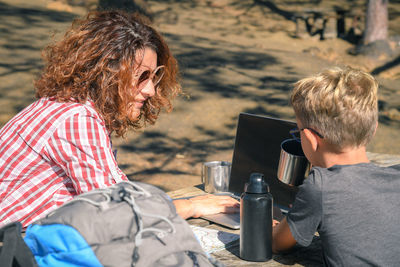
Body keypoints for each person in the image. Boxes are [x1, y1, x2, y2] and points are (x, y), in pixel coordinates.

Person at [0, 10, 238, 228]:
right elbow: (119, 214)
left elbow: (114, 195)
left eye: (154, 77)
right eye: (141, 76)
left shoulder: (63, 105)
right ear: (107, 74)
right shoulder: (78, 118)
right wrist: (191, 206)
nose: (151, 90)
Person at [272, 66, 400, 265]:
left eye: (298, 132)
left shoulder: (321, 186)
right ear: (373, 130)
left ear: (309, 138)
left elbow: (276, 243)